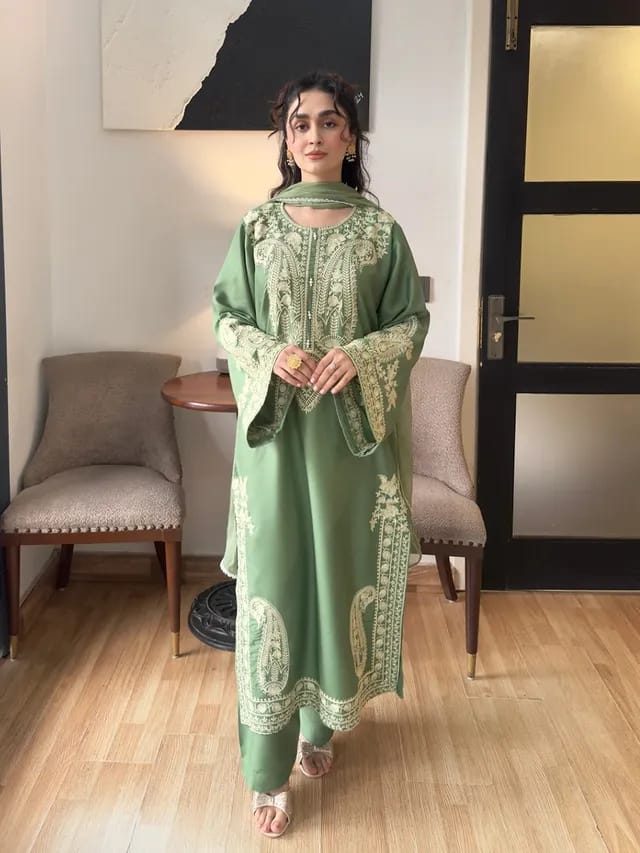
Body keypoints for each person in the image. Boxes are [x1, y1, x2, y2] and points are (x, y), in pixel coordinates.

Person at [212, 70, 429, 839]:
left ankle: (318, 725)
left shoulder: (381, 233)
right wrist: (269, 352)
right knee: (275, 589)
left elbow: (409, 322)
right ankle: (267, 771)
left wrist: (359, 356)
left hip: (349, 444)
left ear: (351, 137)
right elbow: (227, 317)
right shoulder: (256, 229)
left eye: (329, 121)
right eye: (300, 122)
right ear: (286, 136)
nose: (313, 134)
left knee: (333, 578)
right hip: (274, 442)